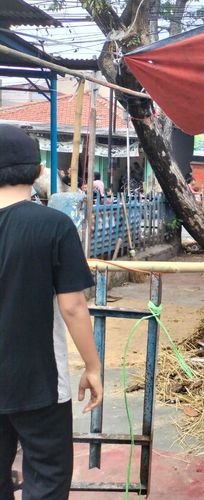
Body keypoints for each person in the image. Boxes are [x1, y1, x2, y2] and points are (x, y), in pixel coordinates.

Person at [0, 125, 103, 498]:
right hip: (39, 381)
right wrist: (93, 367)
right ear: (37, 171)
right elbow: (73, 306)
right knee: (47, 475)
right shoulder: (54, 225)